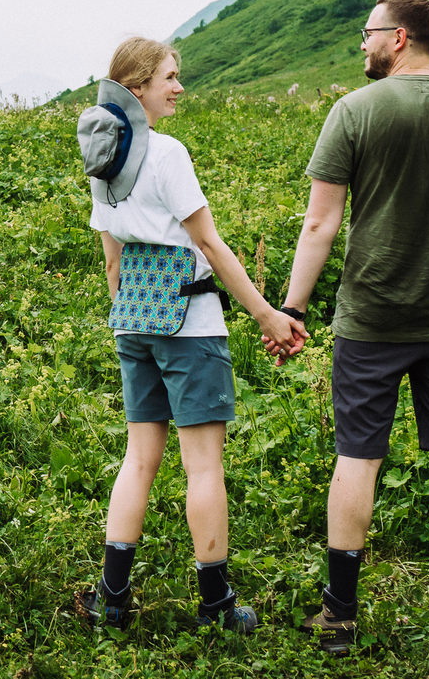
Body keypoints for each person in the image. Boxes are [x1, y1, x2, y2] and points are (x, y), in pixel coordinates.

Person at [268, 0, 429, 657]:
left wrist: (291, 308)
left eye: (368, 33)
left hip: (371, 319)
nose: (361, 44)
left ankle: (340, 619)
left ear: (399, 38)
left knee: (358, 458)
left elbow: (321, 223)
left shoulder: (353, 112)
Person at [74, 36, 305, 632]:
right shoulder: (167, 153)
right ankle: (217, 605)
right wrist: (264, 314)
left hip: (133, 320)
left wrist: (131, 317)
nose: (178, 87)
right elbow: (208, 244)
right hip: (190, 324)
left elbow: (112, 262)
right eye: (169, 77)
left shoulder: (102, 154)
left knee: (139, 458)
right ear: (137, 87)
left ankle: (112, 598)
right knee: (203, 468)